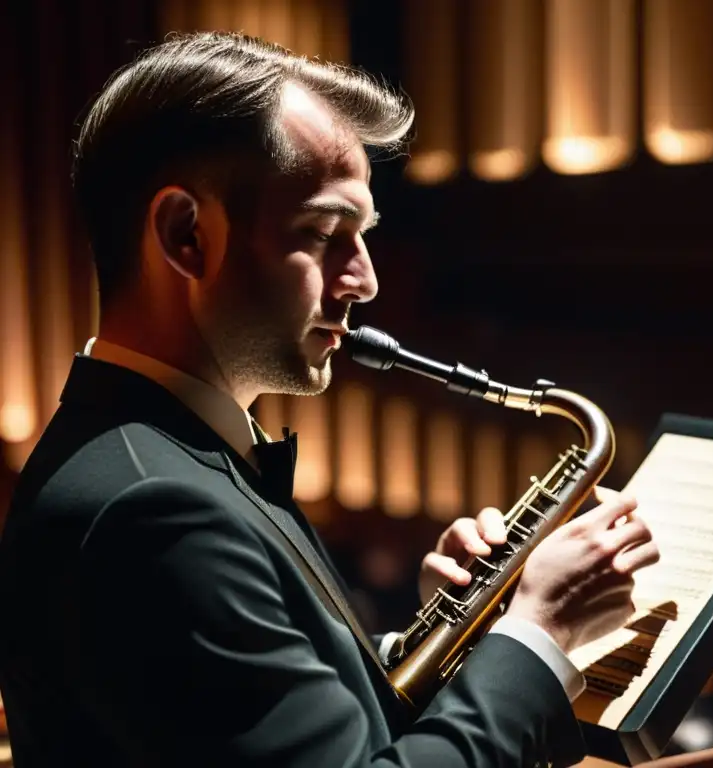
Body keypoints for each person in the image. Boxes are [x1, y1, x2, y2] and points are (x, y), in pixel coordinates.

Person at [0, 32, 659, 767]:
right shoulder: (153, 510)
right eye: (323, 232)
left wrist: (455, 633)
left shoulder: (170, 454)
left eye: (364, 236)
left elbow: (246, 715)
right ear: (187, 235)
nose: (365, 280)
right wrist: (537, 634)